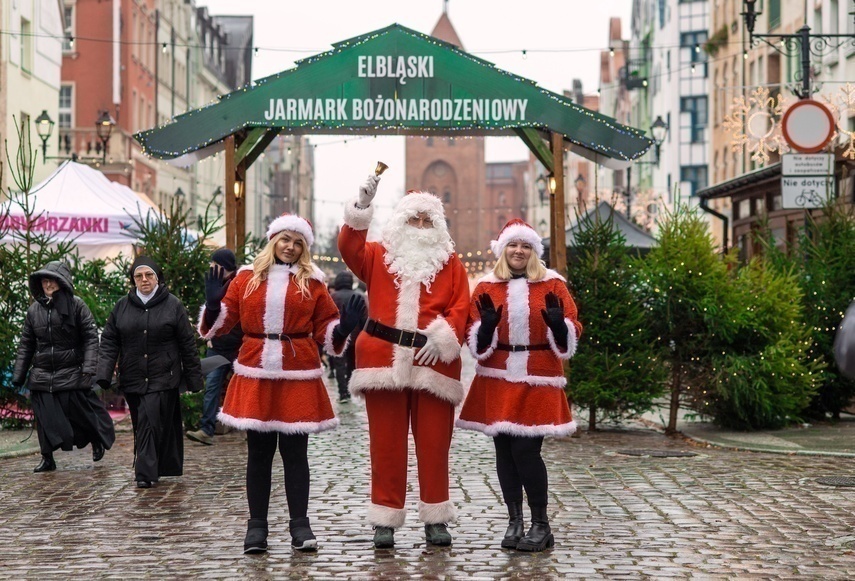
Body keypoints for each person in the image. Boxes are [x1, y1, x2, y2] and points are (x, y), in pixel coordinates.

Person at [198, 214, 365, 554]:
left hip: (297, 372)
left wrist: (344, 328)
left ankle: (300, 526)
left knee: (295, 454)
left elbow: (327, 333)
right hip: (255, 368)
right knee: (258, 454)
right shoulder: (246, 278)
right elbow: (216, 327)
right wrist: (214, 304)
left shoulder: (313, 282)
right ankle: (256, 527)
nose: (290, 247)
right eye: (285, 239)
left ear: (304, 248)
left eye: (298, 242)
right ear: (273, 239)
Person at [338, 175, 470, 549]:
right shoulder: (379, 255)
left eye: (428, 221)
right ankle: (385, 518)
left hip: (434, 365)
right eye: (415, 220)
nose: (421, 228)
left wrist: (443, 338)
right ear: (401, 222)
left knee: (434, 444)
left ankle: (435, 518)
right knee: (386, 443)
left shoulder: (451, 263)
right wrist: (361, 206)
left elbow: (462, 306)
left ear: (438, 226)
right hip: (383, 359)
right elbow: (349, 247)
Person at [457, 219, 582, 552]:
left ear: (533, 251)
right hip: (496, 375)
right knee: (504, 452)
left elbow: (573, 327)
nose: (519, 251)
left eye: (525, 246)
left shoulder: (553, 284)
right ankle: (515, 521)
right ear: (503, 249)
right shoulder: (486, 285)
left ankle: (541, 525)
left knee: (527, 452)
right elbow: (473, 334)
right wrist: (485, 331)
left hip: (537, 376)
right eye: (513, 245)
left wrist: (560, 327)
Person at [96, 256, 203, 489]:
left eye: (149, 275)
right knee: (143, 422)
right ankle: (158, 466)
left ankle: (144, 472)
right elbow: (109, 341)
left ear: (157, 277)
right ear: (133, 280)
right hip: (133, 376)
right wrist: (103, 373)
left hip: (163, 376)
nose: (144, 280)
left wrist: (194, 378)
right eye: (138, 276)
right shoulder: (122, 307)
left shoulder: (173, 305)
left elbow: (187, 342)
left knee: (149, 420)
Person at [12, 261, 115, 472]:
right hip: (41, 375)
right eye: (44, 280)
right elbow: (26, 344)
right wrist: (19, 375)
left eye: (52, 279)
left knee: (81, 416)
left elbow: (90, 338)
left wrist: (88, 369)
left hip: (71, 373)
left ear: (61, 281)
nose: (48, 284)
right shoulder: (34, 311)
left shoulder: (77, 306)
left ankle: (95, 439)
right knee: (45, 419)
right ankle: (47, 457)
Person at [186, 248, 243, 446]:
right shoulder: (214, 282)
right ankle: (206, 429)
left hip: (239, 347)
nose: (210, 267)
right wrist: (210, 335)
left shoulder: (239, 283)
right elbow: (209, 314)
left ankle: (247, 426)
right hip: (218, 346)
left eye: (214, 263)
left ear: (223, 266)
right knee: (211, 387)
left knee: (242, 388)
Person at [328, 270, 366, 402]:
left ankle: (343, 392)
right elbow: (364, 319)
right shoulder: (358, 296)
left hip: (337, 336)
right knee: (351, 364)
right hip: (355, 338)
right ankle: (349, 389)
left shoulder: (332, 296)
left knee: (339, 365)